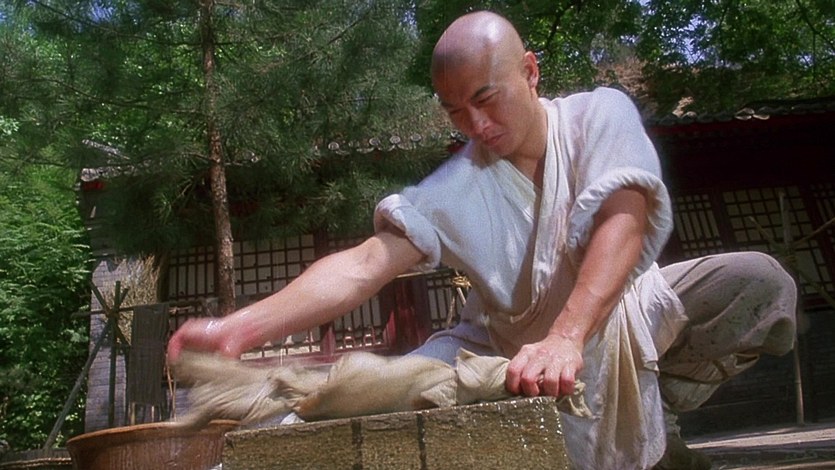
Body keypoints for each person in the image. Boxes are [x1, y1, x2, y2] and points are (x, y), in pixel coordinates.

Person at [167, 11, 797, 469]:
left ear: (530, 71)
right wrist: (238, 328)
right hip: (498, 349)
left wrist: (566, 336)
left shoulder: (597, 115)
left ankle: (662, 408)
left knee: (759, 283)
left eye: (486, 99)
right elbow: (364, 265)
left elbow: (623, 219)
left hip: (618, 315)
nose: (476, 124)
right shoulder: (460, 183)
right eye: (454, 111)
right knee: (365, 391)